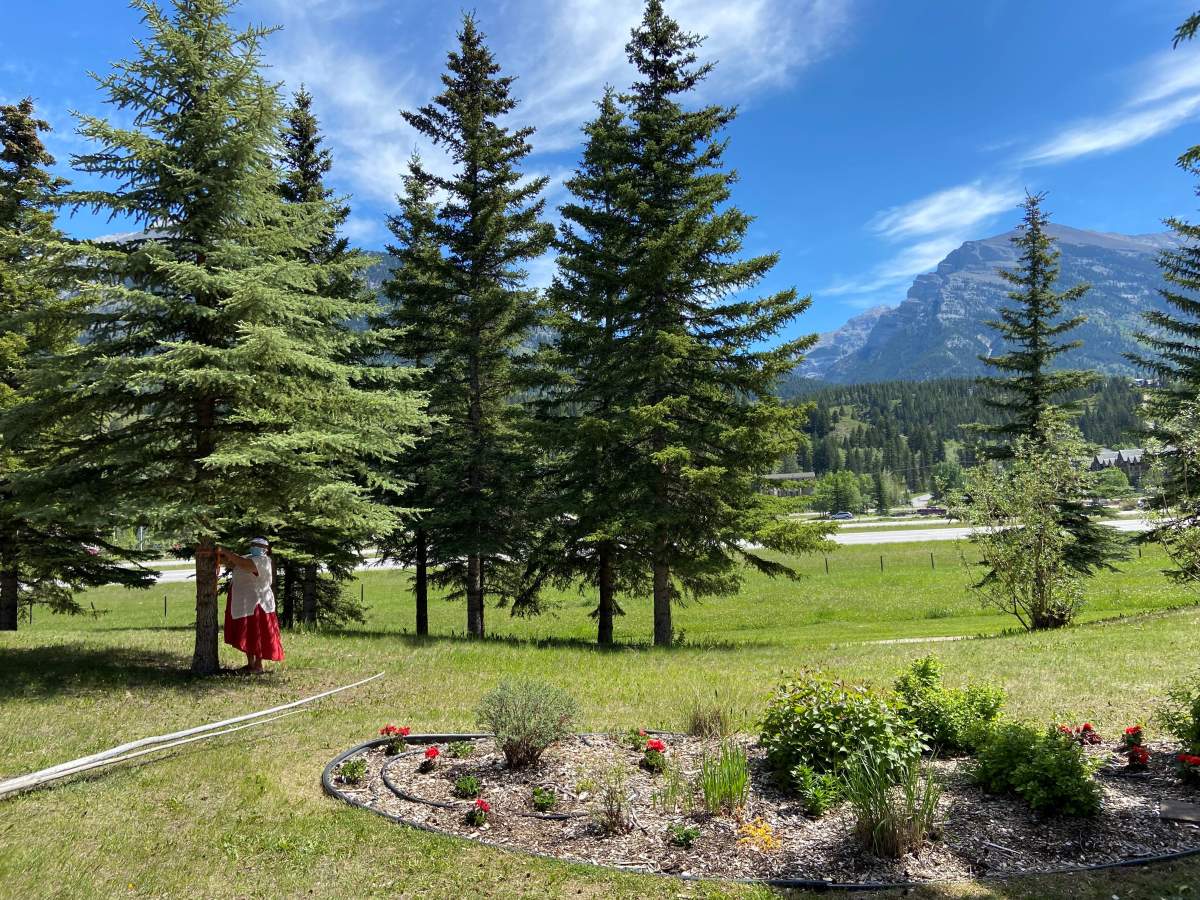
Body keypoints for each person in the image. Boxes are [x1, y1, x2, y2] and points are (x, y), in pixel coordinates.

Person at [218, 537, 284, 673]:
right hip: (244, 602)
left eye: (257, 545)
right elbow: (234, 563)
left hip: (258, 604)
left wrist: (225, 550)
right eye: (253, 544)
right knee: (247, 633)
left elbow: (243, 564)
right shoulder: (248, 557)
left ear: (265, 549)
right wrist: (217, 556)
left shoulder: (263, 561)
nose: (254, 547)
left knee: (257, 633)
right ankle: (250, 664)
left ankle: (258, 665)